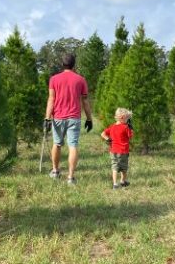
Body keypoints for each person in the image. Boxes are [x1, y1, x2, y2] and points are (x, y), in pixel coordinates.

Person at [45, 53, 93, 185]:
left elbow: (51, 99)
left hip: (58, 118)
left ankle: (55, 171)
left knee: (57, 144)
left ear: (62, 64)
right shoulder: (81, 80)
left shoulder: (54, 79)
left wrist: (47, 118)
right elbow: (85, 101)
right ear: (74, 64)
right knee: (73, 146)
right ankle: (71, 178)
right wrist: (89, 119)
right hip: (74, 118)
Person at [101, 108, 134, 189]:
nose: (128, 121)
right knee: (124, 167)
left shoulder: (112, 126)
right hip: (123, 151)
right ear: (122, 117)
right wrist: (131, 129)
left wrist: (108, 139)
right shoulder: (126, 127)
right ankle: (123, 181)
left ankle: (115, 184)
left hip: (113, 151)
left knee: (114, 167)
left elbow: (103, 134)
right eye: (127, 119)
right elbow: (131, 136)